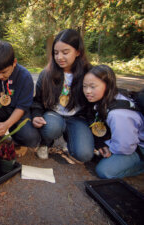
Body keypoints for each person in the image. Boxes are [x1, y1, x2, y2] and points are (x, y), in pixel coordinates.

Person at [31, 29, 94, 161]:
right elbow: (37, 101)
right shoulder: (46, 74)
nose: (59, 57)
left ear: (78, 52)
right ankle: (46, 142)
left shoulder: (89, 73)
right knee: (52, 128)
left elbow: (95, 104)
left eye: (65, 52)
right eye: (56, 53)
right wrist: (36, 115)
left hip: (77, 118)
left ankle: (71, 136)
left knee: (84, 155)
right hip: (54, 115)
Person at [83, 65, 144, 178]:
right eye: (85, 86)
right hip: (129, 141)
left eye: (93, 87)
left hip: (138, 146)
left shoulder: (117, 114)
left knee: (104, 171)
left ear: (108, 85)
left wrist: (109, 148)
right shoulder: (106, 99)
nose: (87, 91)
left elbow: (125, 148)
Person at [0, 40, 41, 147]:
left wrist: (7, 124)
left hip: (18, 110)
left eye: (4, 72)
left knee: (31, 138)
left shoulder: (25, 77)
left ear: (14, 63)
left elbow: (21, 108)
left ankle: (14, 136)